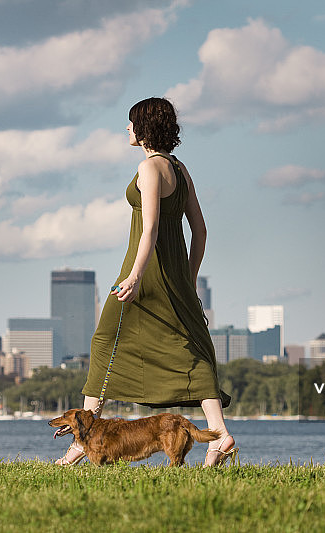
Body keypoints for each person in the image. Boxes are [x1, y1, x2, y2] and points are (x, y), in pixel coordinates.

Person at [55, 97, 235, 467]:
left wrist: (136, 276)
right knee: (191, 349)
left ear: (144, 128)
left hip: (145, 274)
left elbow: (150, 227)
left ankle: (81, 440)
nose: (126, 129)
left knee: (105, 340)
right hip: (175, 278)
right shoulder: (180, 169)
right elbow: (200, 230)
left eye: (130, 123)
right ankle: (220, 434)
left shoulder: (150, 168)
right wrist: (188, 277)